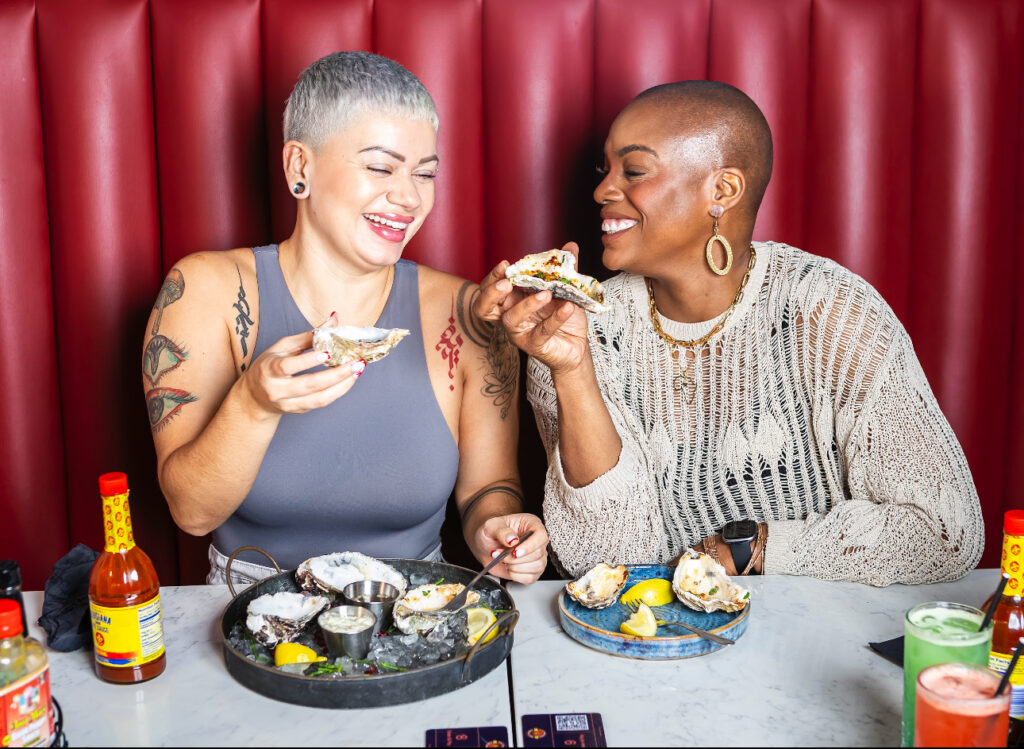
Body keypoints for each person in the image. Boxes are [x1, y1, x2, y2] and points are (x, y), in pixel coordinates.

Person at [474, 80, 983, 586]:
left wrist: (754, 546)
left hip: (818, 632)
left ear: (723, 190)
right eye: (604, 170)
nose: (603, 190)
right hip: (660, 641)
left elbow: (944, 531)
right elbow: (608, 562)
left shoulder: (827, 309)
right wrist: (572, 369)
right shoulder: (578, 329)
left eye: (633, 170)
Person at [142, 51, 547, 586]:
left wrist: (498, 529)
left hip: (413, 615)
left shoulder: (469, 315)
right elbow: (192, 513)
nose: (408, 197)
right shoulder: (204, 291)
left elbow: (488, 486)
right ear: (300, 168)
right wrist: (253, 403)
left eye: (424, 174)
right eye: (380, 166)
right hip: (249, 613)